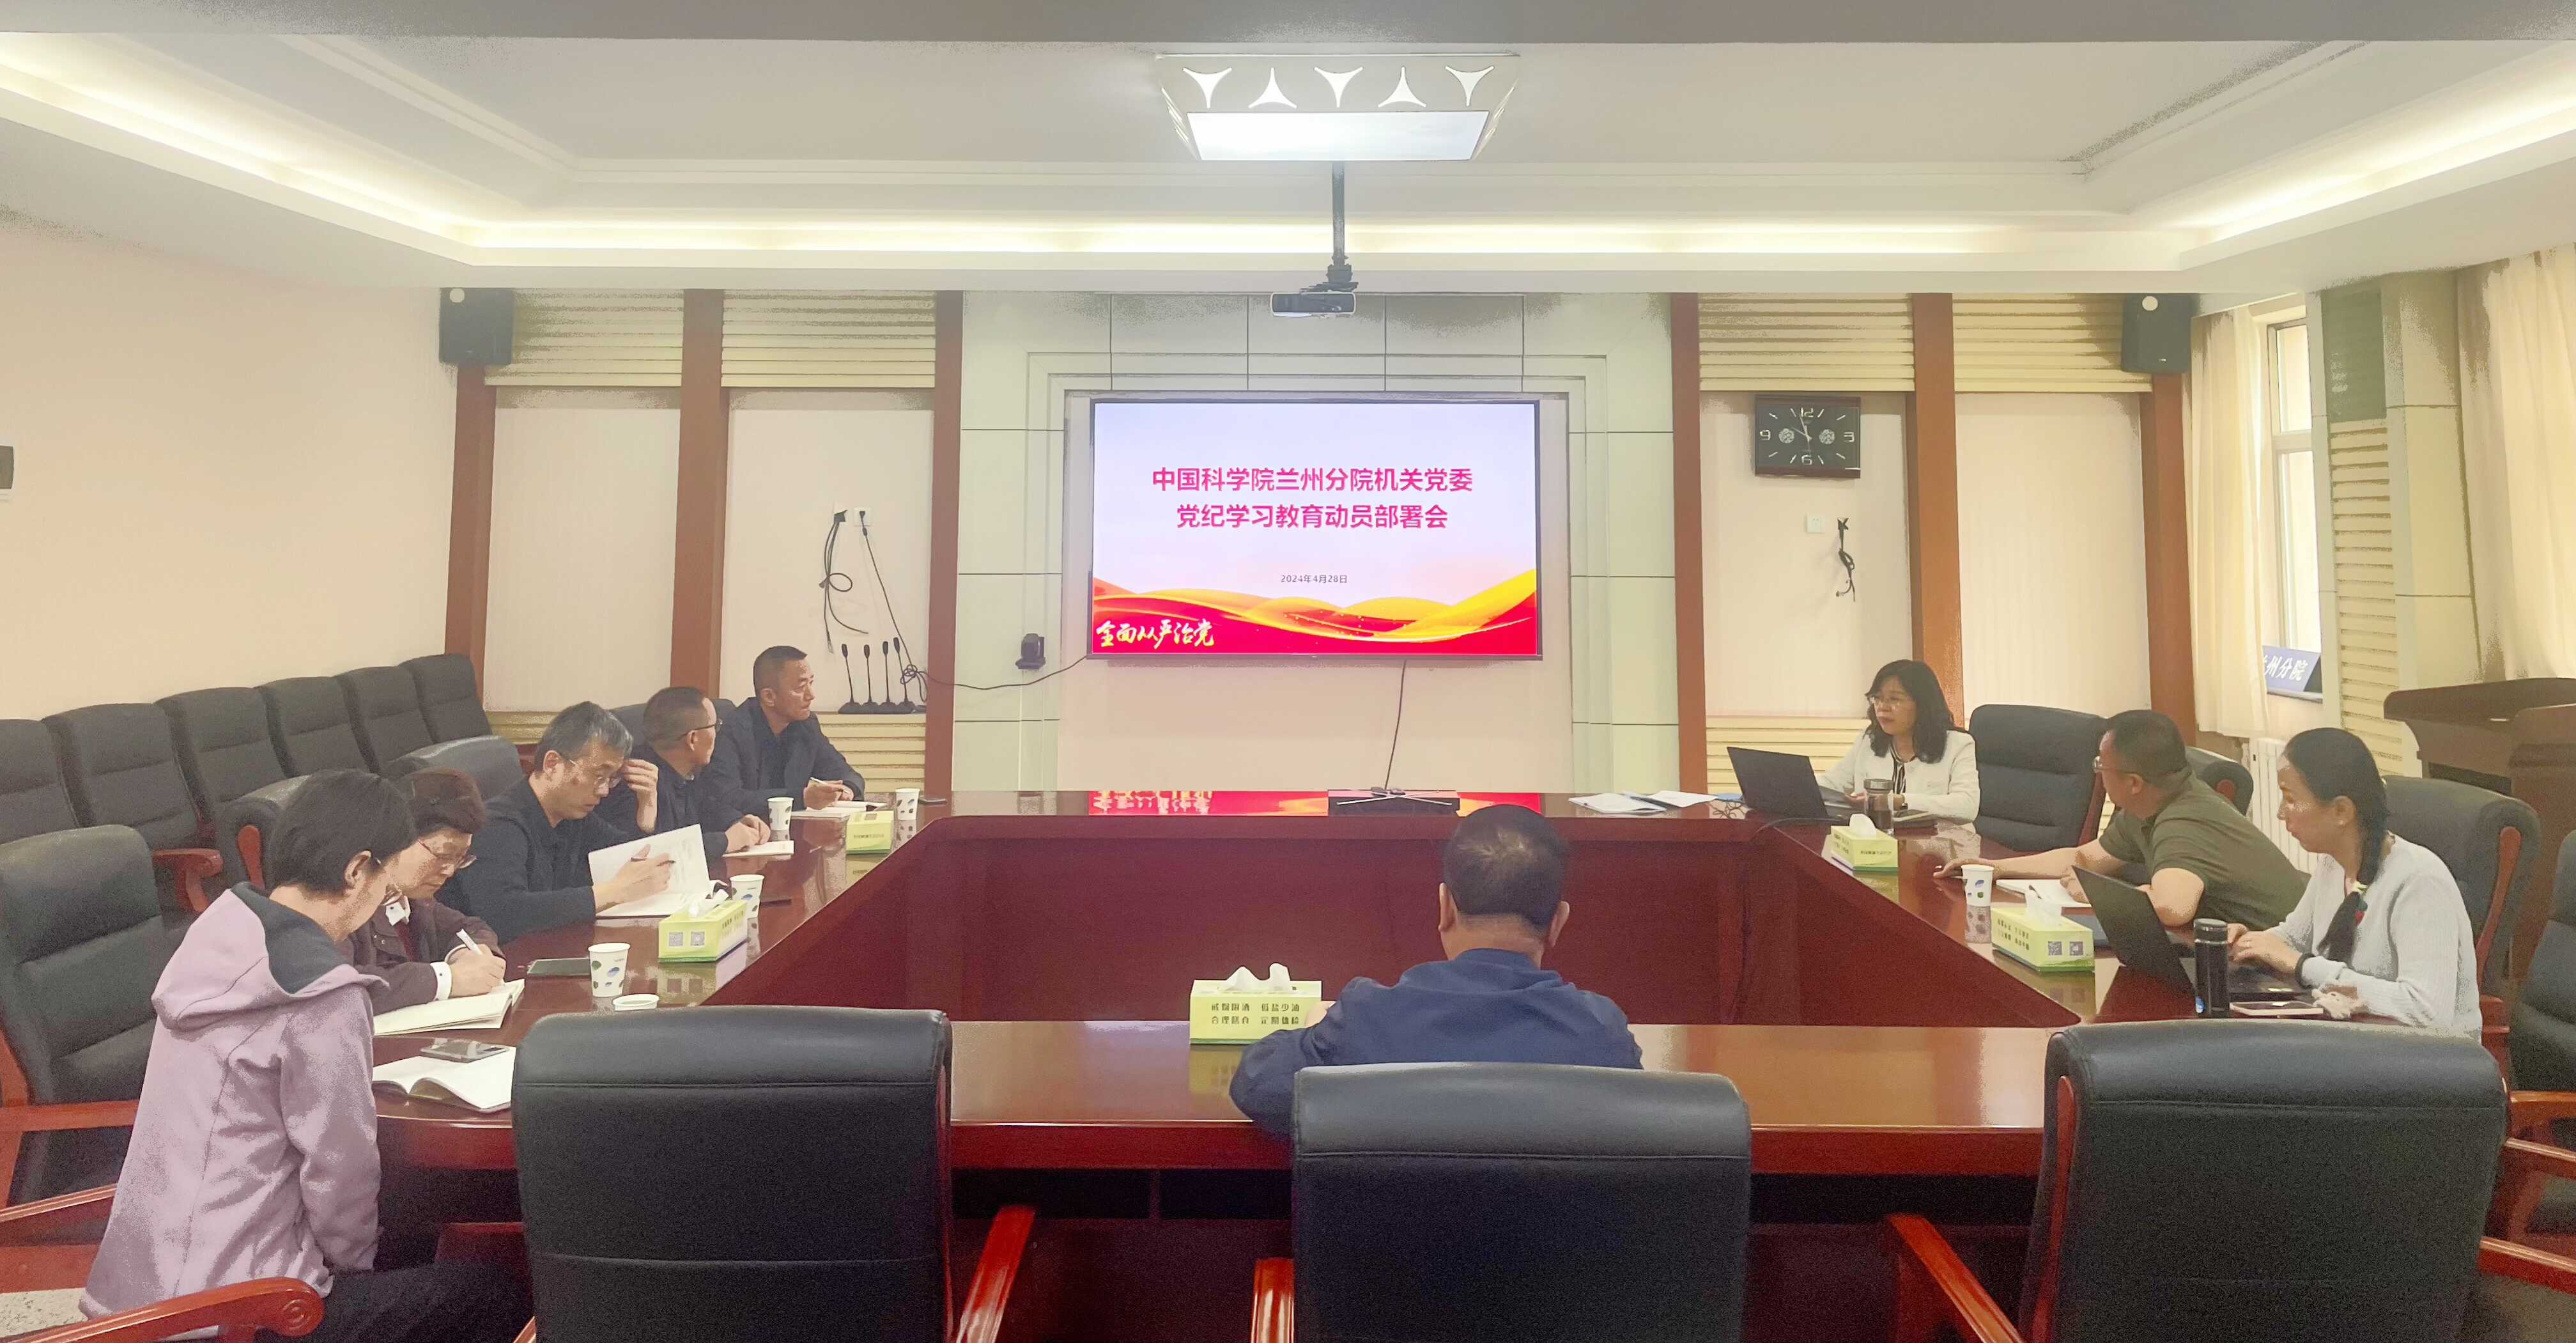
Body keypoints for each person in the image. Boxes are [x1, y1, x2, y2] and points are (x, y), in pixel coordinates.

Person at [82, 771, 527, 1343]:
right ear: (357, 870)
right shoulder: (321, 993)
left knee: (412, 1228)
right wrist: (359, 1268)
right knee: (492, 1291)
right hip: (239, 1311)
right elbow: (340, 1171)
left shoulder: (221, 930)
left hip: (138, 1298)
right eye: (386, 876)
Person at [1228, 804, 1642, 1135]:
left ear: (1445, 908)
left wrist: (1318, 1028)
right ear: (1557, 923)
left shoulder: (1366, 1016)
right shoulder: (1599, 1033)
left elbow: (1257, 1083)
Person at [2228, 727, 2480, 1036]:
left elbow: (2427, 1011)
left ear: (2341, 811)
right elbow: (2294, 940)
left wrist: (2304, 966)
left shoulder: (2420, 881)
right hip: (2355, 1042)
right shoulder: (2333, 864)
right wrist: (2249, 944)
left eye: (2291, 799)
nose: (2282, 813)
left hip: (2426, 1060)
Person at [1952, 710, 2302, 930]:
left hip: (2279, 967)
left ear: (2133, 783)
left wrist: (2096, 893)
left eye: (2101, 766)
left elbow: (2173, 907)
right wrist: (1996, 869)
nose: (2099, 773)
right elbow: (2084, 858)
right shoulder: (2150, 804)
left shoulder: (2184, 821)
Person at [441, 702, 673, 942]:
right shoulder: (498, 826)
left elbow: (623, 859)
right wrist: (615, 891)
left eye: (611, 779)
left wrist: (647, 810)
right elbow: (504, 914)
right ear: (553, 764)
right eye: (598, 776)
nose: (604, 790)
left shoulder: (573, 815)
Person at [344, 768, 504, 1013]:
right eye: (442, 855)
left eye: (460, 858)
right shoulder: (341, 907)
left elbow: (469, 927)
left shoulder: (411, 900)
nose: (449, 871)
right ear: (396, 838)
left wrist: (468, 953)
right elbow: (337, 990)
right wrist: (446, 980)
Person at [596, 686, 769, 871]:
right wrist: (725, 841)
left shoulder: (686, 771)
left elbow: (708, 807)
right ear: (693, 739)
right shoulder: (636, 780)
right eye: (715, 726)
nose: (717, 733)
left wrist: (737, 821)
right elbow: (657, 852)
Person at [703, 644, 867, 823]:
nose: (811, 695)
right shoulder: (733, 730)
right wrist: (801, 798)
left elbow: (847, 774)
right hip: (748, 831)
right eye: (801, 687)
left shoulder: (806, 726)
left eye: (811, 683)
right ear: (769, 697)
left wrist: (846, 790)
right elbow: (728, 798)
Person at [1818, 658, 1980, 823]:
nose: (1882, 707)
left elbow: (1967, 806)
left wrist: (1898, 801)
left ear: (1922, 704)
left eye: (1894, 699)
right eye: (1877, 698)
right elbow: (1830, 784)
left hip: (1941, 838)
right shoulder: (1869, 741)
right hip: (1877, 838)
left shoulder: (1957, 744)